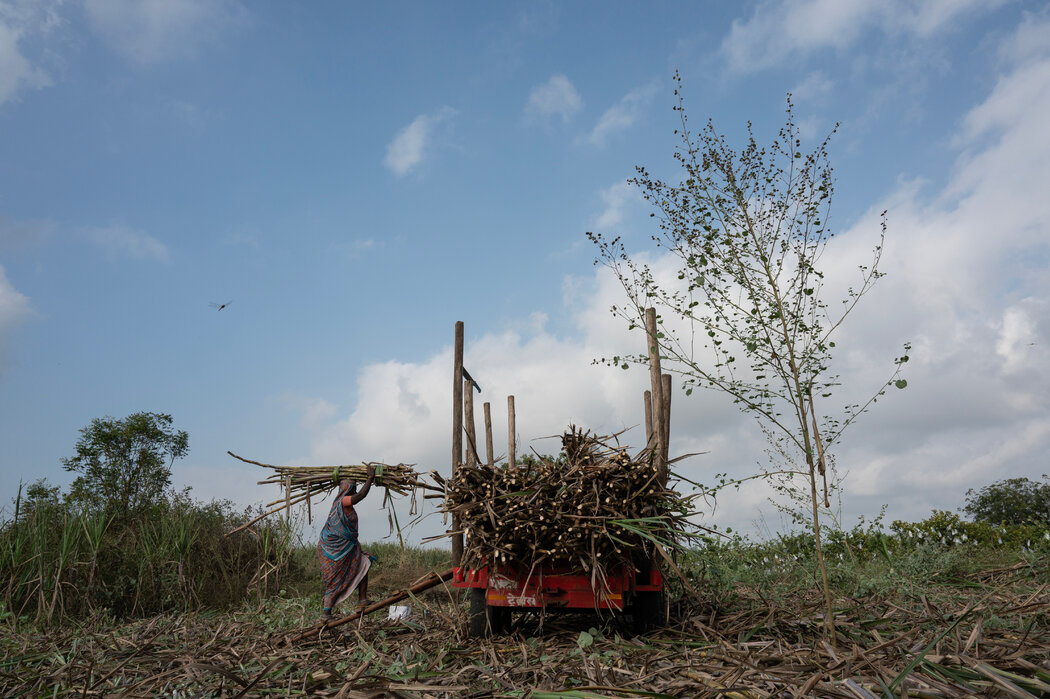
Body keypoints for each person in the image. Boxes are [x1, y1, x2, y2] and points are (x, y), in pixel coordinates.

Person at [318, 465, 377, 621]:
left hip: (346, 547)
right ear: (347, 489)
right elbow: (361, 495)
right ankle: (326, 614)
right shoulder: (343, 501)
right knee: (335, 579)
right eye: (353, 488)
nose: (355, 490)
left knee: (364, 562)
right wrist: (370, 478)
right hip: (334, 549)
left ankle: (362, 599)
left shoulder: (345, 504)